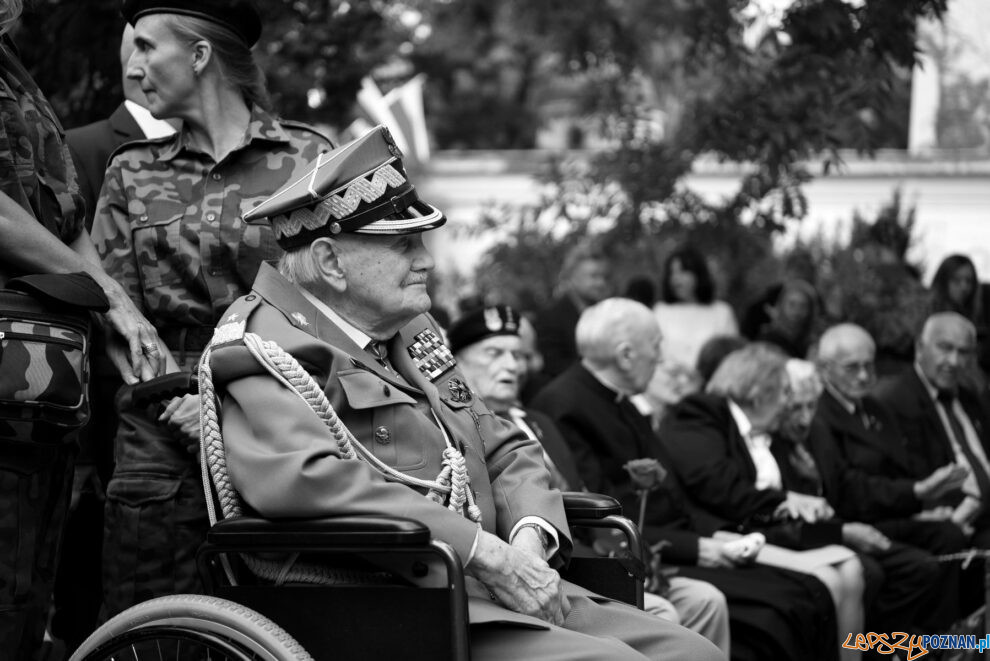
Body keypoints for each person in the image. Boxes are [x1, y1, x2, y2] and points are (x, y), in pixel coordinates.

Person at [205, 126, 722, 661]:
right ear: (332, 262)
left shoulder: (408, 328)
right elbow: (309, 484)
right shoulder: (264, 345)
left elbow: (503, 446)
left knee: (694, 652)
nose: (426, 259)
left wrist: (528, 541)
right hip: (391, 606)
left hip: (490, 587)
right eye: (404, 245)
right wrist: (485, 554)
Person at [91, 0, 333, 617]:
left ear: (199, 56)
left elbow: (338, 307)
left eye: (147, 47)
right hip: (161, 434)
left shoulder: (310, 160)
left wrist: (228, 404)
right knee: (151, 624)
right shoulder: (130, 171)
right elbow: (113, 312)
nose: (134, 64)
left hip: (284, 421)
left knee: (290, 621)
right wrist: (178, 396)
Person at [531, 299, 839, 661]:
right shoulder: (565, 405)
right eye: (657, 345)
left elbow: (673, 494)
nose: (662, 358)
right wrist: (697, 547)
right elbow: (601, 518)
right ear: (626, 354)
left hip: (674, 543)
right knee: (782, 607)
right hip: (643, 554)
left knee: (801, 594)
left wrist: (709, 536)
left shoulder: (623, 402)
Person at [0, 1, 164, 657]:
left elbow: (63, 211)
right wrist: (106, 291)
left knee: (20, 607)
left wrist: (112, 307)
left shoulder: (14, 71)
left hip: (38, 399)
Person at [448, 305, 731, 656]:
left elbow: (583, 491)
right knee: (663, 614)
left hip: (584, 553)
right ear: (454, 360)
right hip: (530, 567)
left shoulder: (538, 421)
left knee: (704, 609)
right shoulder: (455, 429)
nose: (511, 365)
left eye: (518, 354)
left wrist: (631, 556)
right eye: (494, 353)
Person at [52, 24, 180, 650]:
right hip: (104, 407)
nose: (141, 59)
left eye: (155, 43)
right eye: (136, 41)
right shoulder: (80, 146)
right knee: (101, 567)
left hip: (203, 401)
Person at [661, 344, 864, 659]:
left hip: (772, 527)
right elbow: (718, 486)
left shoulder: (768, 432)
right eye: (785, 393)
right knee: (828, 579)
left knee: (852, 566)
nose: (789, 405)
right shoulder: (703, 413)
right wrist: (789, 503)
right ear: (758, 391)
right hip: (736, 531)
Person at [815, 322, 969, 627]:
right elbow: (846, 488)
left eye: (868, 366)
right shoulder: (820, 416)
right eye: (852, 367)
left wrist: (919, 504)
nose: (863, 375)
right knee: (919, 567)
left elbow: (901, 468)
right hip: (854, 518)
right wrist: (915, 493)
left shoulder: (874, 407)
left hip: (890, 510)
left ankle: (942, 637)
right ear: (825, 368)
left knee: (949, 533)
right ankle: (887, 646)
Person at [777, 359, 941, 636]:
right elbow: (779, 525)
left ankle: (882, 648)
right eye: (795, 408)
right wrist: (843, 532)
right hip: (799, 541)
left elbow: (848, 485)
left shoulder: (817, 431)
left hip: (839, 527)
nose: (805, 418)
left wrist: (914, 494)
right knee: (870, 572)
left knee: (921, 566)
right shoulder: (767, 445)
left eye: (811, 406)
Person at [874, 313, 990, 547]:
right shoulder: (894, 399)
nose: (954, 361)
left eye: (964, 352)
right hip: (946, 518)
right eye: (945, 348)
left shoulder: (969, 398)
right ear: (920, 348)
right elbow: (895, 476)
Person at [534, 241, 611, 378]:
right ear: (571, 278)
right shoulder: (550, 319)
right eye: (593, 276)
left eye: (604, 277)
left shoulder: (607, 315)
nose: (601, 283)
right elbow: (554, 368)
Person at [754, 279, 819, 358]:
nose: (796, 311)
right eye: (792, 305)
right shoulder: (767, 341)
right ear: (781, 306)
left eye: (803, 306)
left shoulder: (811, 345)